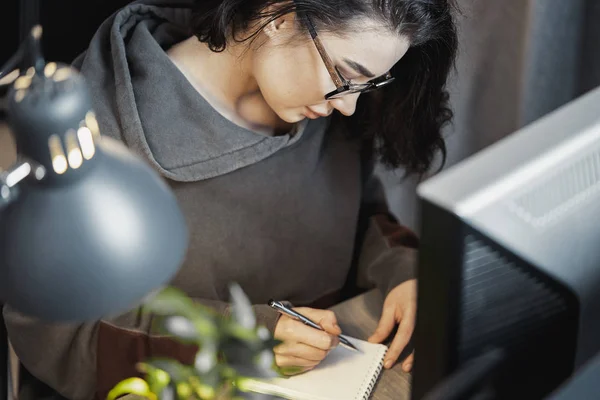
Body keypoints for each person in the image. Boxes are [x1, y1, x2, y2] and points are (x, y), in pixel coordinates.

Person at [4, 0, 458, 398]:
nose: (348, 106)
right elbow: (58, 331)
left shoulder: (322, 109)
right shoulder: (93, 135)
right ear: (279, 15)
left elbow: (357, 213)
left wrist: (403, 271)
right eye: (345, 74)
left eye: (366, 85)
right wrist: (242, 339)